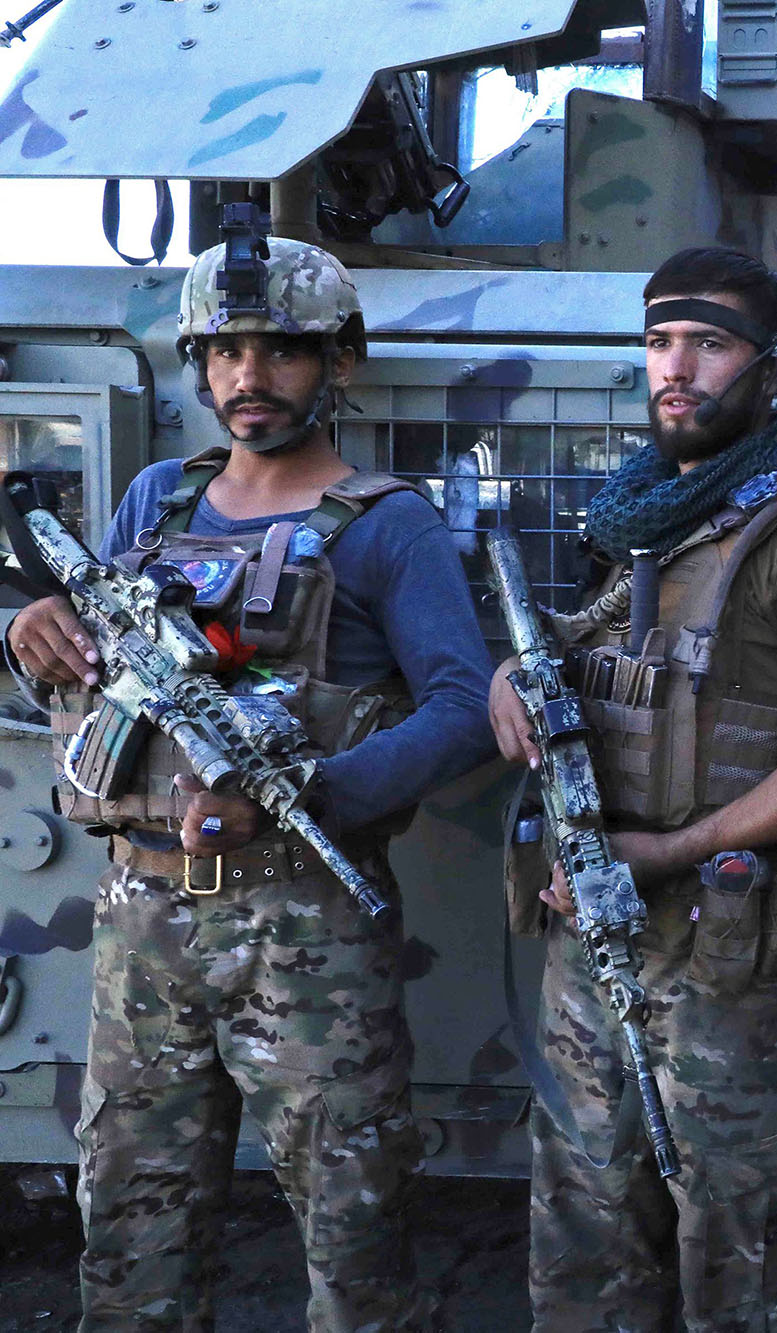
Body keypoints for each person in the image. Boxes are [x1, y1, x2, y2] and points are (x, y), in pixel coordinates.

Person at [2, 232, 496, 1329]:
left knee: (352, 1236)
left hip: (306, 924)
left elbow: (465, 709)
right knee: (130, 1229)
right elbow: (94, 657)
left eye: (280, 350)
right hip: (144, 919)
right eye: (223, 350)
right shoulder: (155, 504)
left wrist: (311, 791)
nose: (247, 377)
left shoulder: (388, 525)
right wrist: (34, 629)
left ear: (339, 363)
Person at [488, 246, 777, 1333]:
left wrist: (669, 849)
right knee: (581, 1239)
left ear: (769, 368)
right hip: (597, 944)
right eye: (662, 341)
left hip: (731, 968)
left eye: (709, 345)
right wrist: (511, 676)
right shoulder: (656, 517)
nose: (677, 367)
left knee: (742, 1260)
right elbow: (586, 649)